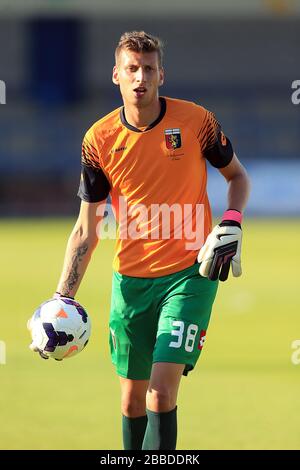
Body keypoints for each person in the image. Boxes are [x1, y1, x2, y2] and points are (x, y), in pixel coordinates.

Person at [38, 31, 250, 450]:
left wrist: (232, 220)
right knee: (133, 401)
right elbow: (86, 228)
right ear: (116, 75)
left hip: (191, 275)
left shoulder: (195, 122)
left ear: (161, 75)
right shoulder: (98, 141)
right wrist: (63, 298)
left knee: (160, 392)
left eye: (148, 69)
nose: (141, 77)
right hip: (130, 282)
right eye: (132, 69)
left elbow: (237, 177)